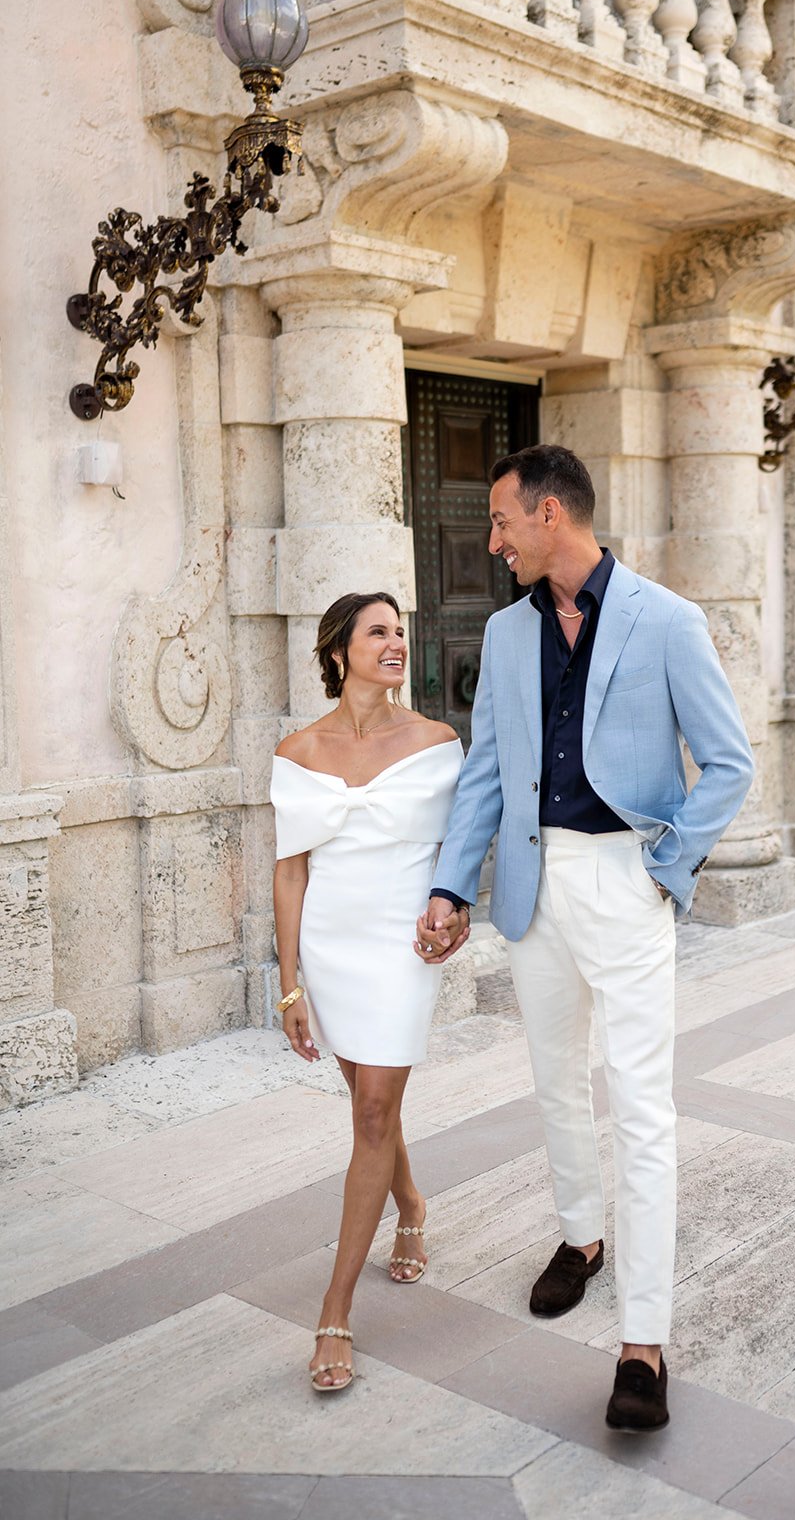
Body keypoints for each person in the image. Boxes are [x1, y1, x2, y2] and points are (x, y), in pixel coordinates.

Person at [416, 445, 753, 1432]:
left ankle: (641, 1343)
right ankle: (579, 1238)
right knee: (554, 1081)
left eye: (501, 523)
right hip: (531, 885)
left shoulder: (665, 620)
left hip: (622, 875)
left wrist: (666, 864)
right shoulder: (508, 632)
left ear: (551, 514)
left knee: (640, 1107)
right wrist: (450, 881)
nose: (492, 541)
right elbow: (483, 769)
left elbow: (726, 761)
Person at [271, 591, 465, 1393]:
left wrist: (452, 916)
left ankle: (335, 1310)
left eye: (401, 633)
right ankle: (411, 1204)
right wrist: (288, 986)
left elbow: (462, 842)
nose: (396, 644)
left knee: (374, 1110)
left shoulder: (435, 740)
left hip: (397, 944)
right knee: (368, 1104)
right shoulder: (297, 749)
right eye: (378, 632)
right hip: (330, 944)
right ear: (339, 649)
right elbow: (290, 871)